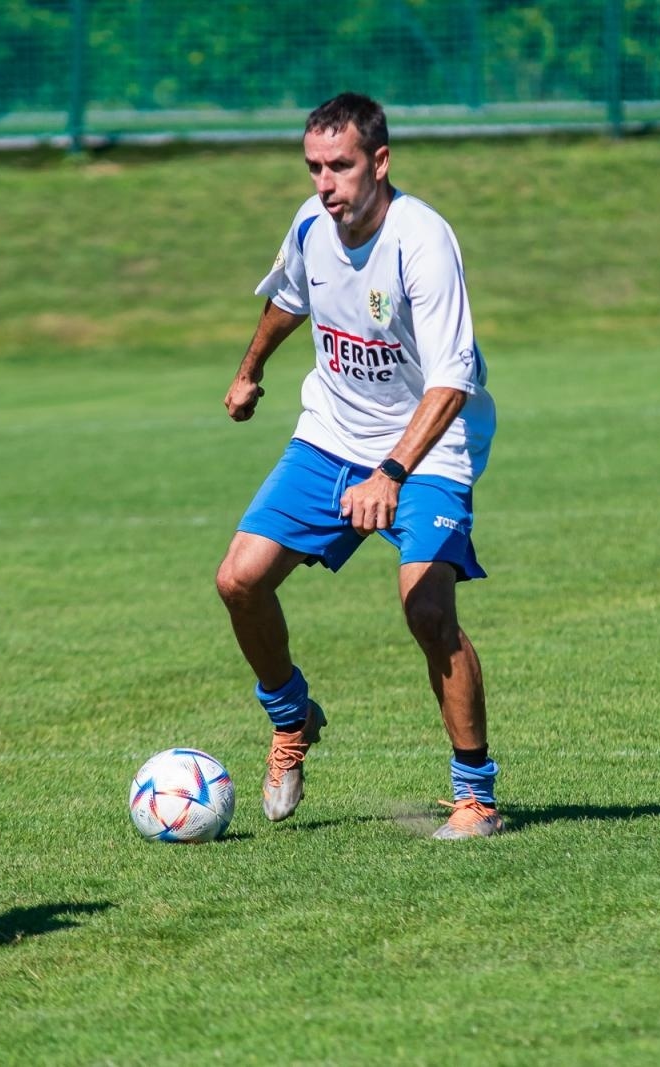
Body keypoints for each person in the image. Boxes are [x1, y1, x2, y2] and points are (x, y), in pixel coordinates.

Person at [215, 93, 503, 840]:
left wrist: (393, 473)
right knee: (238, 579)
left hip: (429, 444)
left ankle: (476, 795)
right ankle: (290, 717)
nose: (324, 182)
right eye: (313, 167)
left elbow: (453, 378)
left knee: (427, 609)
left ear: (379, 161)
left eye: (339, 166)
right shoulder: (312, 226)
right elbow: (289, 299)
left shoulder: (423, 241)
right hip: (331, 435)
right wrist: (250, 372)